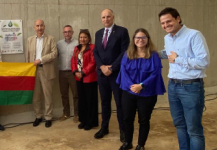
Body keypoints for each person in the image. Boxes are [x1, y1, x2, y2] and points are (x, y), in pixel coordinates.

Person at [159, 7, 210, 150]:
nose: (165, 25)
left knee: (194, 130)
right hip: (173, 86)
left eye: (168, 21)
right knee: (179, 125)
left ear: (178, 18)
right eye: (162, 23)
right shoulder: (167, 38)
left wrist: (178, 59)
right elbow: (169, 54)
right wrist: (150, 52)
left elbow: (203, 62)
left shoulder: (194, 35)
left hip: (191, 87)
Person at [116, 28, 166, 150]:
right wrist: (132, 87)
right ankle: (128, 142)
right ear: (133, 40)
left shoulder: (154, 55)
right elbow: (123, 71)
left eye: (143, 37)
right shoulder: (127, 54)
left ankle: (141, 145)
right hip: (129, 92)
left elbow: (155, 73)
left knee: (144, 120)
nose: (140, 40)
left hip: (147, 93)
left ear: (147, 39)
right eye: (137, 37)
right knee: (127, 118)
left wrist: (141, 85)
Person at [93, 8, 130, 141]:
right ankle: (104, 127)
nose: (106, 19)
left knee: (120, 103)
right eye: (103, 17)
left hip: (116, 74)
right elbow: (95, 52)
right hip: (102, 74)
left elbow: (124, 52)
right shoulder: (98, 33)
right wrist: (102, 67)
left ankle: (123, 130)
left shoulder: (122, 31)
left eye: (108, 16)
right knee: (104, 102)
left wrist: (112, 68)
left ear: (113, 17)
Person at [26, 19, 58, 128]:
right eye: (37, 26)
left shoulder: (51, 39)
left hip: (47, 70)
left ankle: (48, 117)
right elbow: (27, 57)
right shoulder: (29, 40)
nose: (39, 28)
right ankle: (38, 116)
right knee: (36, 96)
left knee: (48, 95)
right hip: (34, 71)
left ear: (44, 26)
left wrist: (41, 60)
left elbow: (54, 54)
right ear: (34, 27)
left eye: (41, 26)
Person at [71, 29, 98, 130]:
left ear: (89, 38)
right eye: (81, 37)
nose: (82, 39)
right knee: (82, 100)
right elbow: (73, 60)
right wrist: (75, 72)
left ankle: (90, 122)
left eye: (85, 37)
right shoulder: (76, 48)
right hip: (78, 78)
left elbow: (93, 62)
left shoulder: (92, 47)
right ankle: (83, 120)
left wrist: (83, 72)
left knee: (90, 100)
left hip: (89, 78)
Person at [57, 25, 79, 122]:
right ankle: (66, 113)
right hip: (62, 72)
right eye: (65, 32)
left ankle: (77, 114)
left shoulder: (77, 43)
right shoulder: (59, 44)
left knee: (76, 94)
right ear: (63, 33)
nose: (67, 33)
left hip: (73, 73)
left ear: (72, 32)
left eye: (69, 31)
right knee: (64, 94)